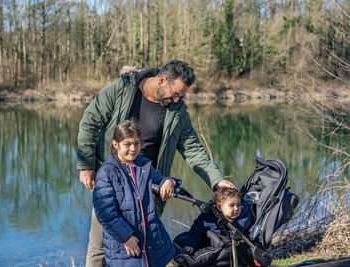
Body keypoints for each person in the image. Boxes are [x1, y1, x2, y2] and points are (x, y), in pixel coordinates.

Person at [77, 60, 235, 267]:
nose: (177, 99)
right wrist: (86, 165)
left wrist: (217, 181)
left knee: (146, 246)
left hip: (148, 185)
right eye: (175, 93)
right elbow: (90, 122)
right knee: (99, 247)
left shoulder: (177, 111)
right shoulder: (123, 89)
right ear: (162, 80)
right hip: (112, 180)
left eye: (182, 95)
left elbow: (193, 149)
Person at [93, 119, 180, 267]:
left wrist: (168, 182)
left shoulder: (144, 165)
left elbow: (160, 179)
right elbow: (105, 213)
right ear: (116, 144)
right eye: (127, 144)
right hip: (124, 246)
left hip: (150, 242)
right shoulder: (106, 172)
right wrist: (126, 237)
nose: (133, 148)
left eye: (137, 143)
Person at [182, 187, 253, 253]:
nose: (236, 208)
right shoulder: (209, 217)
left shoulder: (245, 217)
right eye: (232, 205)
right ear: (219, 207)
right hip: (213, 244)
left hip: (235, 247)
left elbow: (251, 230)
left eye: (238, 205)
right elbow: (196, 230)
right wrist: (190, 244)